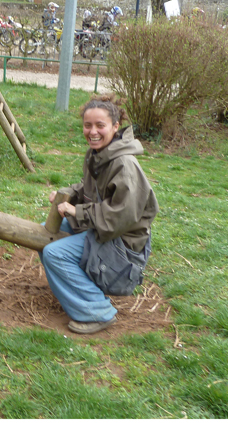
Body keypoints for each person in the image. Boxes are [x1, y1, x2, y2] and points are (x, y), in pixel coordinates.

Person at [40, 95, 159, 334]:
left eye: (100, 125)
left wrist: (77, 211)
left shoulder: (124, 164)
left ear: (115, 127)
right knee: (48, 234)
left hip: (124, 247)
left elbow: (120, 217)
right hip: (106, 231)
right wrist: (67, 195)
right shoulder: (98, 155)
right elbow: (89, 188)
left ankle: (97, 311)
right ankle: (79, 291)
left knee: (54, 253)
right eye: (87, 125)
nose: (92, 131)